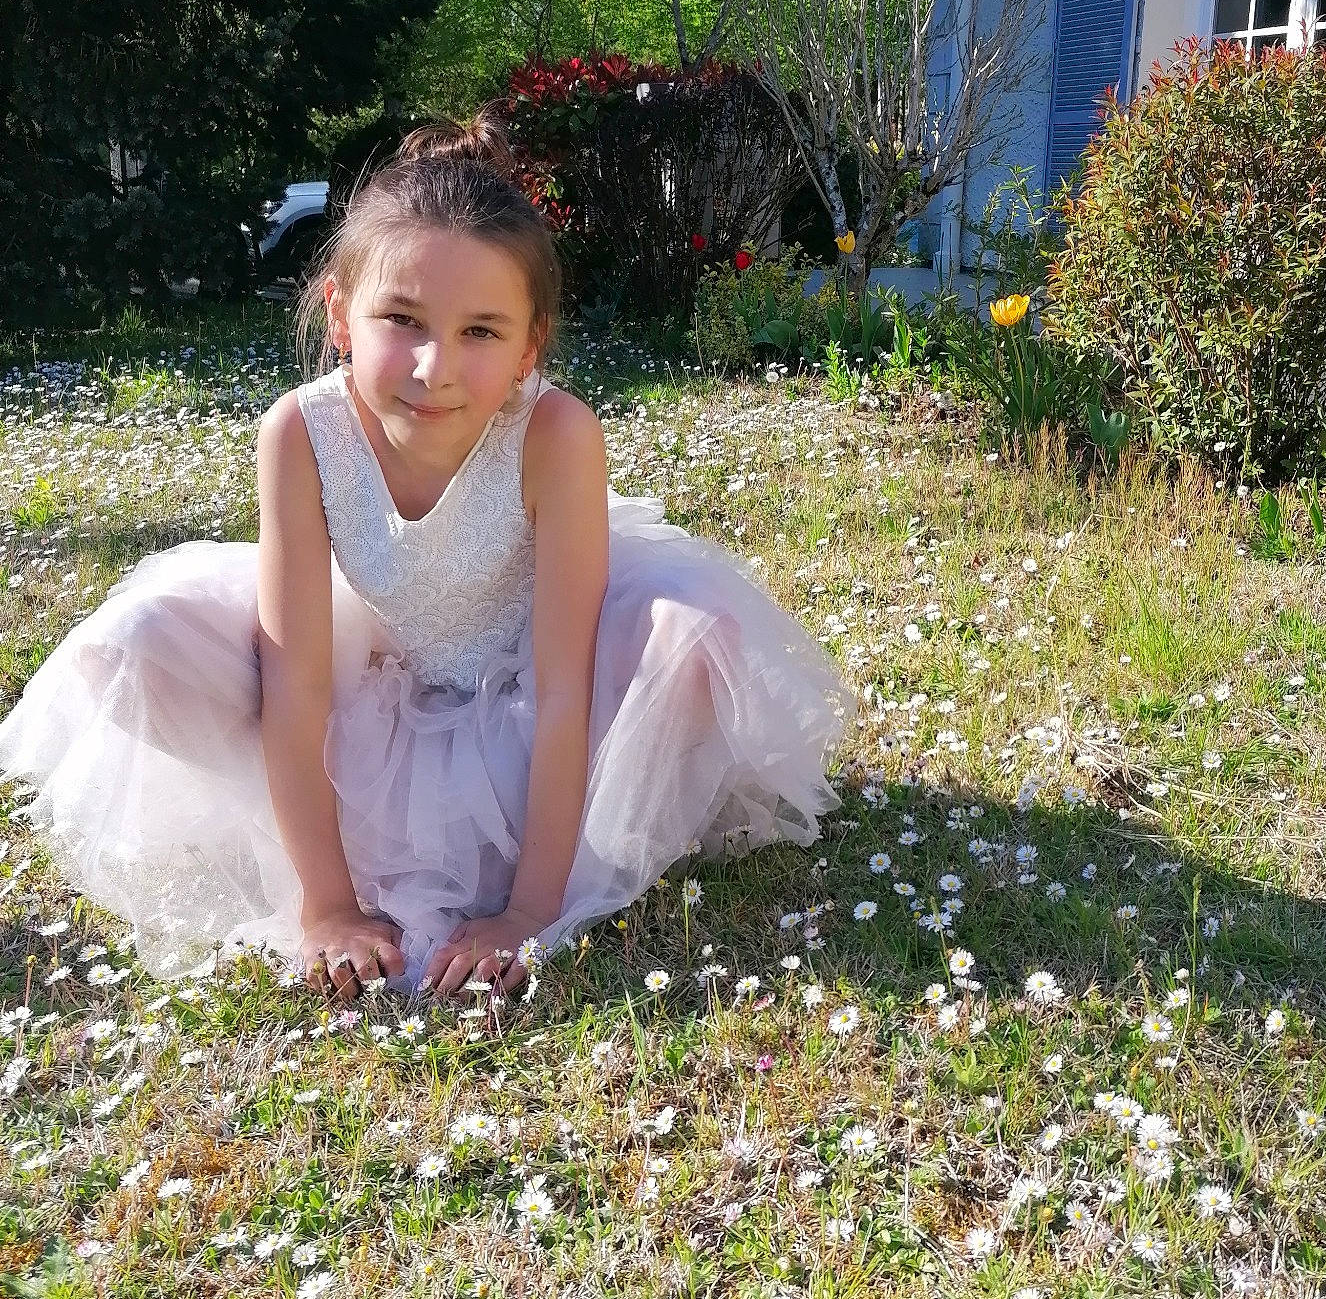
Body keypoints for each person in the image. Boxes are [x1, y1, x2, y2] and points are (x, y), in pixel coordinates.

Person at [0, 114, 852, 999]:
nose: (435, 367)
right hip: (367, 664)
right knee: (134, 649)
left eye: (481, 332)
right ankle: (310, 839)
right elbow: (297, 682)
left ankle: (567, 835)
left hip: (530, 681)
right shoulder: (301, 431)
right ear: (340, 313)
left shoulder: (556, 434)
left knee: (697, 645)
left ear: (530, 346)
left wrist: (528, 913)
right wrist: (327, 905)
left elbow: (565, 689)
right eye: (402, 320)